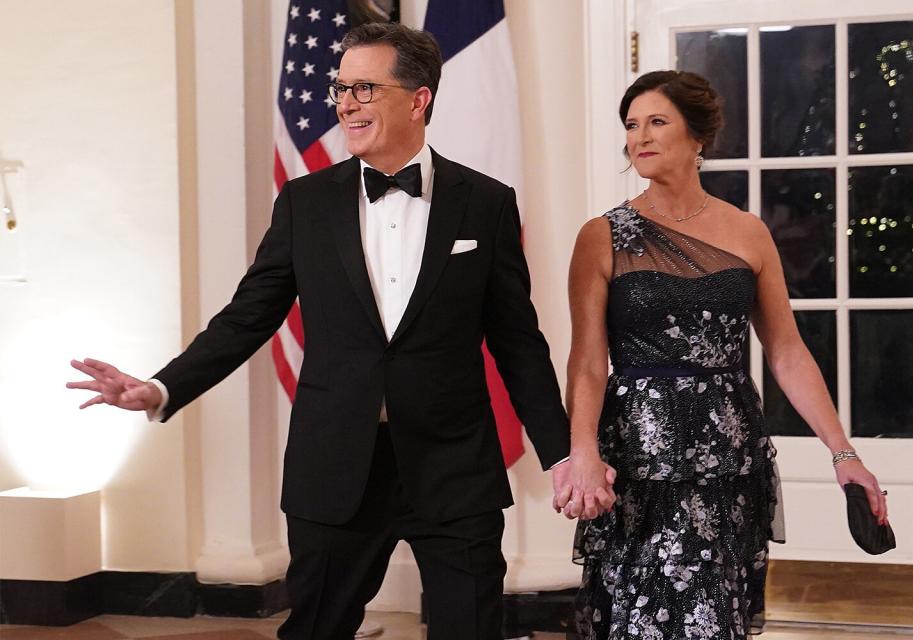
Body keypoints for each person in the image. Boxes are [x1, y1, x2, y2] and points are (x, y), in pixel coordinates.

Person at [67, 23, 613, 640]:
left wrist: (563, 451)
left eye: (363, 88)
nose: (345, 104)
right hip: (335, 463)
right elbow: (250, 314)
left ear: (418, 99)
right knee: (317, 629)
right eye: (339, 88)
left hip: (453, 464)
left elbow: (517, 337)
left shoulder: (485, 201)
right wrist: (163, 388)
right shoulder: (305, 202)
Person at [561, 70, 888, 639]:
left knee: (716, 616)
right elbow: (587, 361)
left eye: (657, 122)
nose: (640, 136)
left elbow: (786, 351)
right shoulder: (601, 236)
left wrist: (843, 455)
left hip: (729, 454)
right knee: (640, 616)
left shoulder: (748, 233)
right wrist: (582, 452)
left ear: (698, 137)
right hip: (640, 457)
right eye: (632, 125)